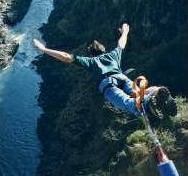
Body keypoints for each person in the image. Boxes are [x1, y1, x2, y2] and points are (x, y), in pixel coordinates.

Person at [33, 23, 177, 119]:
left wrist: (43, 49)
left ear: (91, 54)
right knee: (142, 92)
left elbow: (66, 57)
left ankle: (148, 104)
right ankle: (157, 92)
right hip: (122, 78)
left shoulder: (91, 61)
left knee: (129, 103)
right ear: (103, 49)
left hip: (108, 85)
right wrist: (125, 31)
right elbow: (121, 43)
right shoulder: (113, 54)